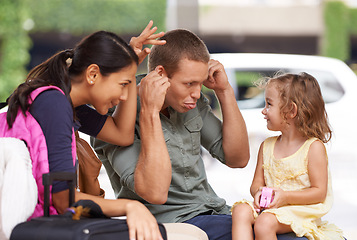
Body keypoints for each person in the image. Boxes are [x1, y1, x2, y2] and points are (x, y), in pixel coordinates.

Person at [1, 21, 166, 240]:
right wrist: (130, 206)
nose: (126, 96)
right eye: (123, 84)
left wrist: (130, 65)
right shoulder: (55, 104)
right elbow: (62, 200)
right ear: (93, 74)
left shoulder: (61, 102)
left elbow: (122, 135)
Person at [91, 28, 251, 240]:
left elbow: (238, 159)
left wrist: (224, 91)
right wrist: (150, 111)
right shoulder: (116, 117)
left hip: (213, 211)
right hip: (173, 222)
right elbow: (154, 193)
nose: (196, 93)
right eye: (189, 84)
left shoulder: (190, 102)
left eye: (200, 83)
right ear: (160, 74)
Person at [231, 72, 344, 240]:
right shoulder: (267, 146)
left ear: (291, 110)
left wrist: (285, 197)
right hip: (270, 208)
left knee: (264, 222)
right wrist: (259, 193)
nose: (263, 110)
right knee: (240, 211)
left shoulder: (313, 148)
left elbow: (319, 193)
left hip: (298, 210)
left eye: (269, 104)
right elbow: (256, 184)